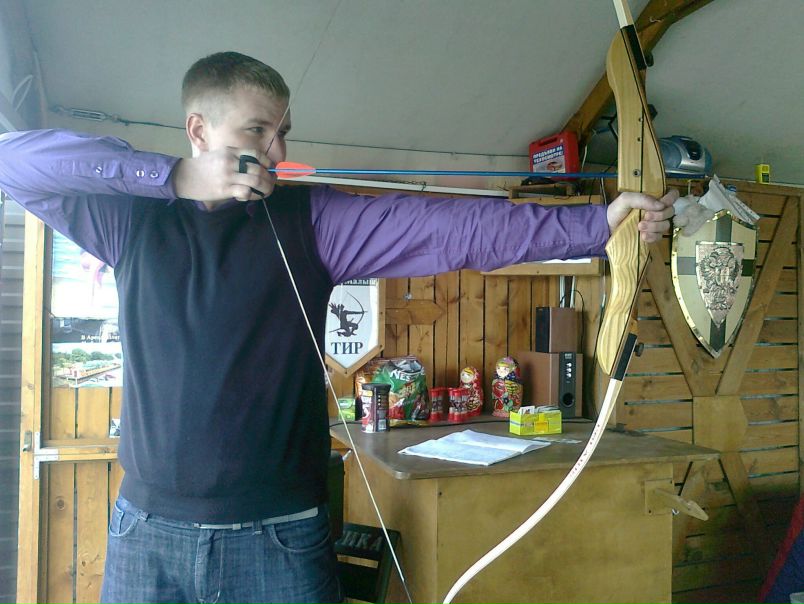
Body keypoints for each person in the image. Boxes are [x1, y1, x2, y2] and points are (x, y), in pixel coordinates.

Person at [0, 51, 676, 604]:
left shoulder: (312, 219)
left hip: (279, 534)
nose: (276, 150)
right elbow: (12, 162)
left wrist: (596, 224)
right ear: (198, 131)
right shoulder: (131, 217)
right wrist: (171, 176)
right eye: (256, 131)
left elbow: (455, 230)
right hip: (148, 533)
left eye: (282, 133)